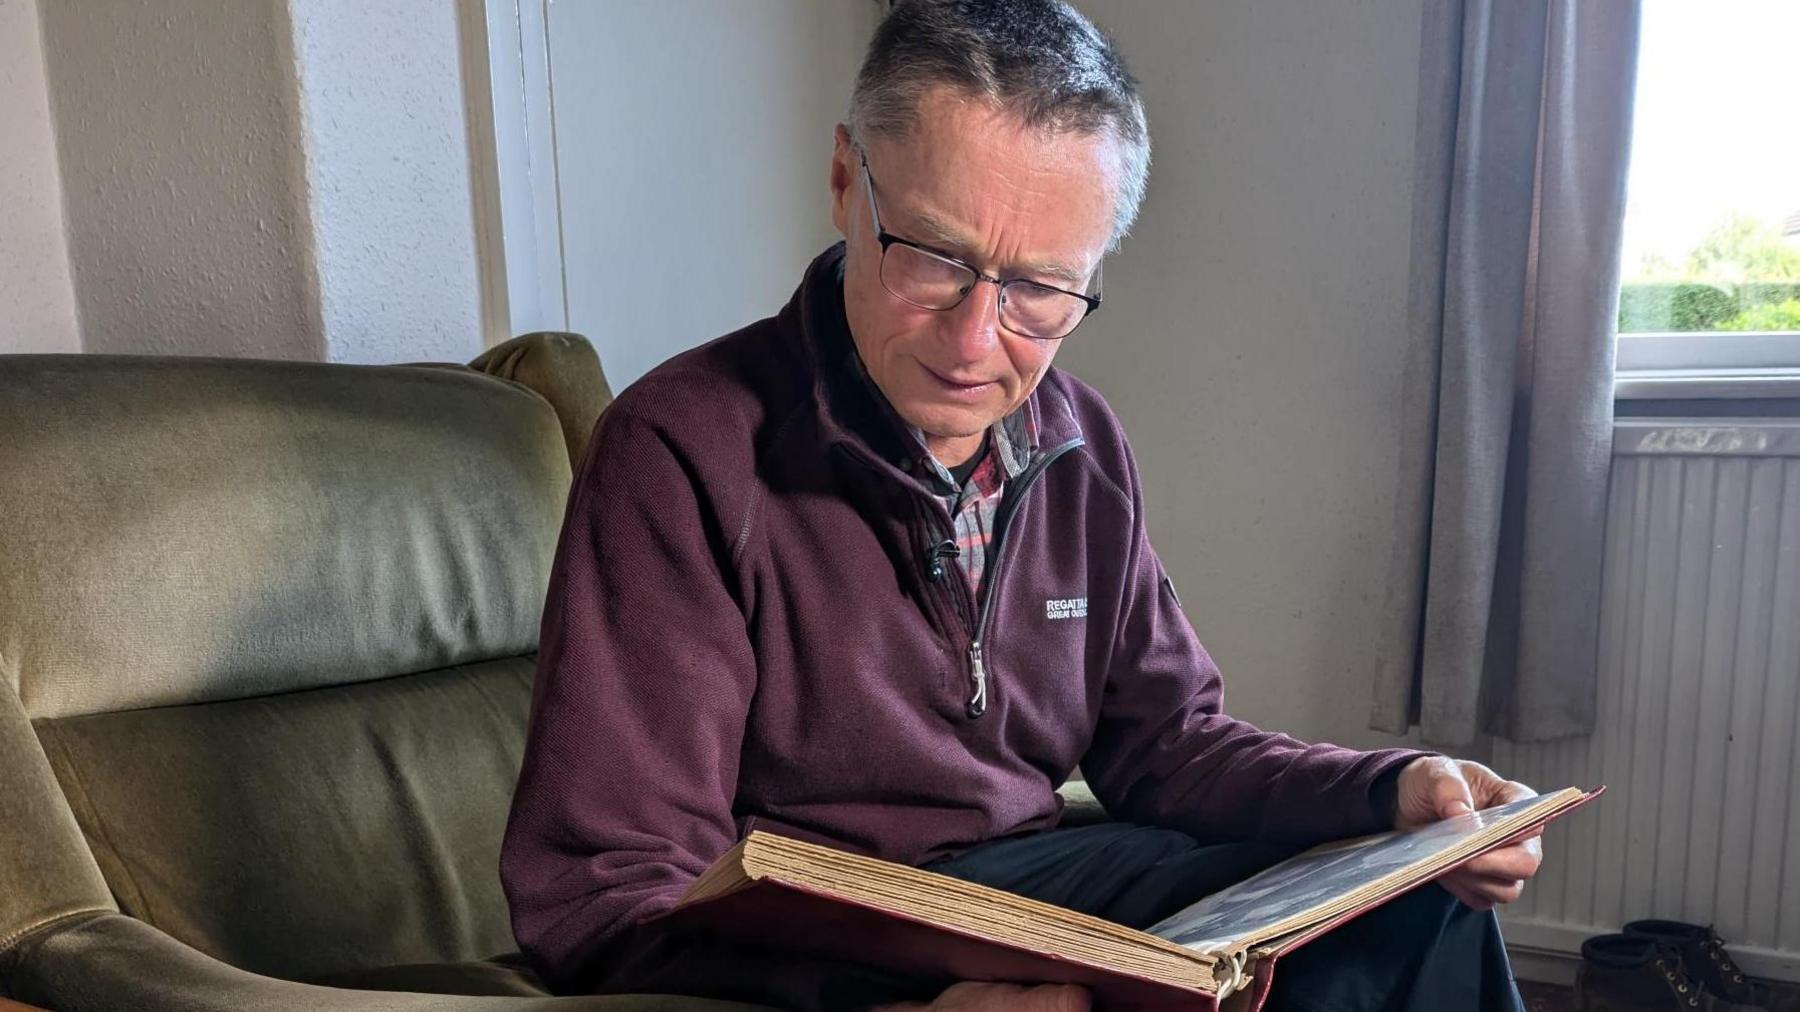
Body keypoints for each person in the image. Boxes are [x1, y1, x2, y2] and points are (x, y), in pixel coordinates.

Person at [500, 2, 1543, 1009]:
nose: (974, 341)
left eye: (1040, 289)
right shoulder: (684, 447)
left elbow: (1168, 744)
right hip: (822, 938)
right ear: (840, 182)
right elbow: (608, 887)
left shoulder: (1078, 444)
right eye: (937, 259)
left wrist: (1394, 791)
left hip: (1040, 885)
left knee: (1414, 908)